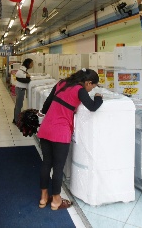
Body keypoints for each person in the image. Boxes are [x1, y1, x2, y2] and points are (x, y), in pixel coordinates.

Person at [37, 68, 103, 210]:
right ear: (88, 82)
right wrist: (98, 97)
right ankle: (56, 200)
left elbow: (48, 102)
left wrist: (41, 113)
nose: (91, 89)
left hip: (46, 128)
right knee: (58, 167)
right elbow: (92, 107)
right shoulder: (80, 90)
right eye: (93, 86)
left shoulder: (62, 83)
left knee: (46, 163)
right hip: (60, 132)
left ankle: (43, 198)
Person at [13, 58, 34, 124]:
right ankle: (16, 120)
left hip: (21, 89)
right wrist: (26, 75)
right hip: (20, 89)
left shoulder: (24, 69)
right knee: (19, 105)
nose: (32, 65)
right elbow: (17, 75)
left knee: (19, 105)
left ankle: (16, 119)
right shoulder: (22, 69)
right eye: (31, 63)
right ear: (28, 64)